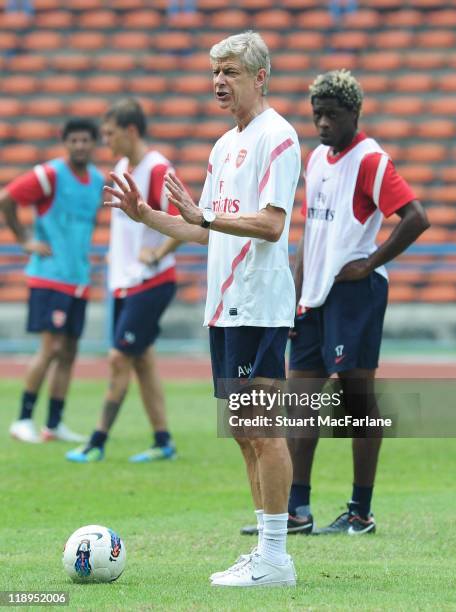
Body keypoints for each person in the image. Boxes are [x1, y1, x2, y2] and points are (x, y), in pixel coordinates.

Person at [103, 32, 301, 587]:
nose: (219, 81)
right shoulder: (222, 146)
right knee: (242, 429)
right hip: (225, 307)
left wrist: (205, 218)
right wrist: (147, 217)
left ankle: (277, 558)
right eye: (215, 71)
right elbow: (198, 227)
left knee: (263, 427)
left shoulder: (278, 138)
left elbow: (270, 223)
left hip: (259, 302)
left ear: (260, 78)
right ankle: (266, 551)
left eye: (231, 71)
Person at [243, 69, 430, 537]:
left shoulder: (371, 160)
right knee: (302, 400)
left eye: (332, 115)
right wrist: (296, 292)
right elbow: (311, 233)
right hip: (315, 297)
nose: (322, 123)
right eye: (316, 114)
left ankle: (360, 511)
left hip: (354, 294)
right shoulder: (319, 160)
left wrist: (369, 264)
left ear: (355, 113)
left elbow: (415, 217)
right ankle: (296, 510)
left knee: (356, 401)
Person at [66, 98, 180, 464]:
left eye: (110, 134)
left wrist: (158, 253)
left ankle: (97, 441)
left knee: (118, 358)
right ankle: (163, 442)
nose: (106, 141)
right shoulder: (121, 166)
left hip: (151, 280)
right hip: (125, 282)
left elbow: (187, 220)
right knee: (142, 360)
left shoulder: (158, 168)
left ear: (131, 131)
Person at [0, 119, 104, 443]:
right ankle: (22, 419)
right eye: (74, 140)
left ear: (94, 143)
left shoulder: (98, 181)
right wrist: (23, 239)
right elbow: (6, 198)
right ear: (64, 141)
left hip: (78, 279)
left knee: (70, 351)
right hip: (49, 277)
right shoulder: (49, 175)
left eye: (85, 140)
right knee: (50, 348)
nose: (79, 146)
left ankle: (54, 424)